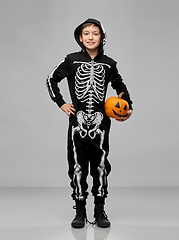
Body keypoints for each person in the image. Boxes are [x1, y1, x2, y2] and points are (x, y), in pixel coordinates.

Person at [46, 18, 133, 228]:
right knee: (76, 166)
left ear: (102, 37)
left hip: (101, 123)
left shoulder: (109, 63)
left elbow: (120, 86)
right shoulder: (71, 60)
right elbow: (51, 79)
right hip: (77, 121)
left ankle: (100, 210)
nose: (91, 37)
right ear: (80, 37)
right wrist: (61, 103)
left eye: (95, 33)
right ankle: (80, 210)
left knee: (101, 166)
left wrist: (127, 107)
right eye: (86, 34)